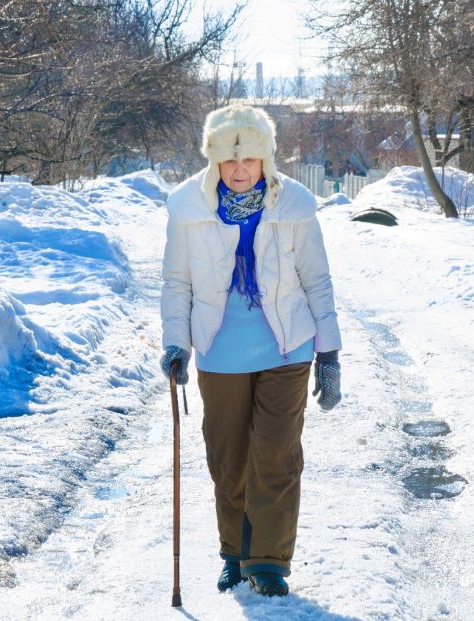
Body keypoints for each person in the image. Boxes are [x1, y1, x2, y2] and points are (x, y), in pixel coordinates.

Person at [160, 104, 342, 597]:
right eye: (230, 162)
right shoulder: (188, 208)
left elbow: (317, 280)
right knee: (229, 458)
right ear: (215, 163)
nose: (240, 171)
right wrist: (176, 342)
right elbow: (177, 282)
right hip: (220, 350)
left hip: (288, 347)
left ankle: (269, 561)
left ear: (266, 160)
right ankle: (234, 553)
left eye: (250, 161)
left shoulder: (295, 205)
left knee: (277, 454)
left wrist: (329, 354)